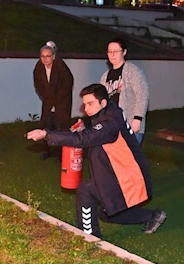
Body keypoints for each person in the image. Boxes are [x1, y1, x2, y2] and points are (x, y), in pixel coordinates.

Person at [26, 83, 167, 239]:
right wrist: (83, 130)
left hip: (127, 178)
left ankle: (89, 238)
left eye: (90, 103)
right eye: (85, 104)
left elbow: (86, 138)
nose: (86, 108)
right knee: (107, 214)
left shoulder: (110, 123)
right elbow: (92, 134)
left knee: (86, 190)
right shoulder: (109, 113)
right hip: (122, 174)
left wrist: (46, 134)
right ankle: (152, 216)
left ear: (103, 103)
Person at [100, 37, 149, 143]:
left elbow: (142, 94)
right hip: (111, 125)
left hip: (129, 124)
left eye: (116, 51)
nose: (112, 54)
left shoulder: (132, 71)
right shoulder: (105, 76)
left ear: (124, 52)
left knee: (129, 158)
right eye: (110, 51)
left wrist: (137, 119)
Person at [33, 41, 74, 160]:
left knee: (61, 126)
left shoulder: (60, 65)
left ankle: (62, 153)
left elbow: (68, 83)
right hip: (48, 101)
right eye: (43, 56)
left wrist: (56, 99)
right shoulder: (38, 67)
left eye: (48, 56)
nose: (45, 59)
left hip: (62, 101)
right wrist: (47, 97)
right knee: (46, 124)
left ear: (53, 56)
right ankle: (46, 150)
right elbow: (38, 84)